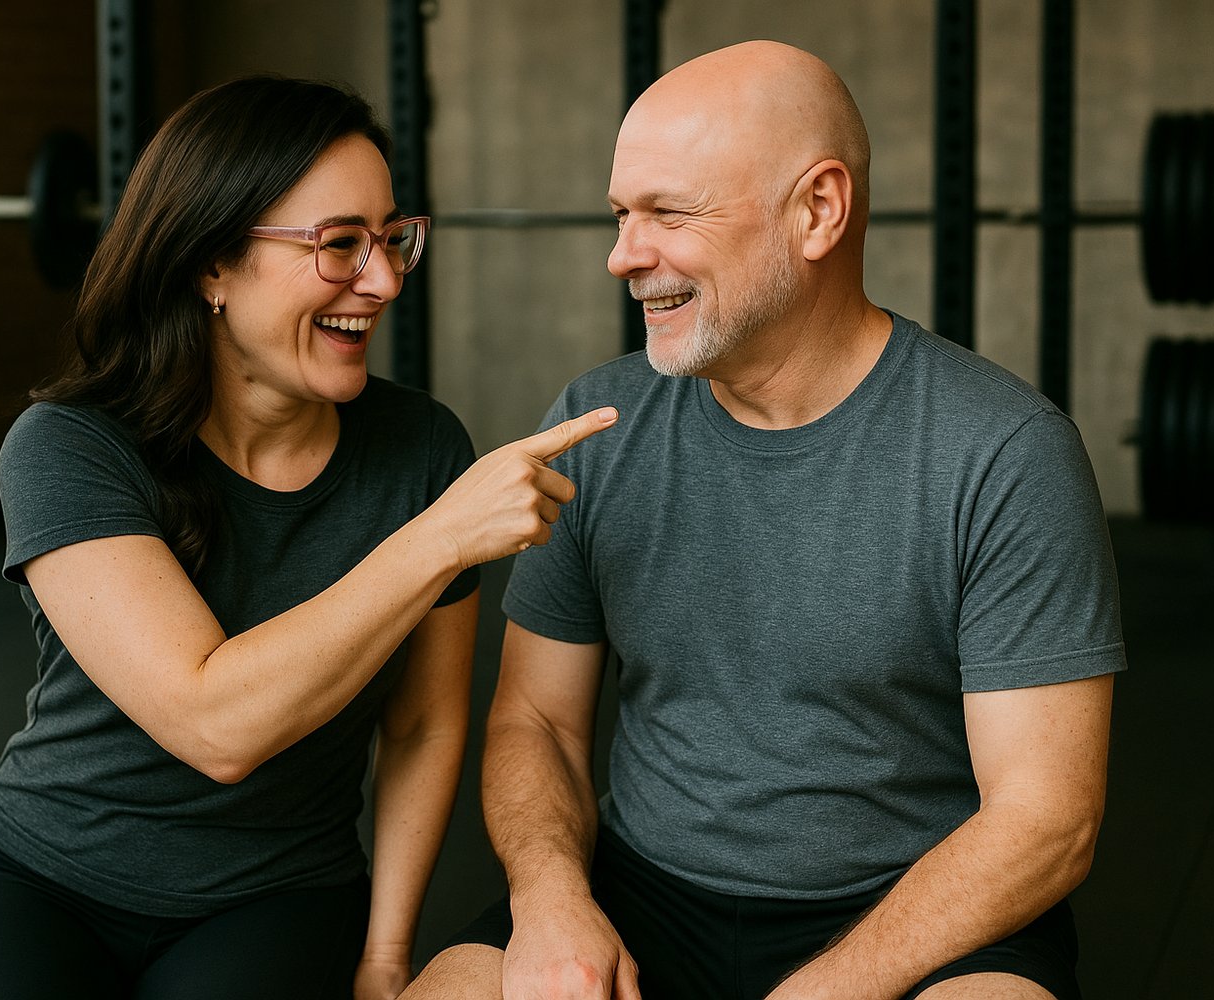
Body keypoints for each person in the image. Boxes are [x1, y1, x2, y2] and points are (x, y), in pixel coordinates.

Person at [402, 40, 1124, 1000]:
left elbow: (1046, 822)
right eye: (623, 214)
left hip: (913, 912)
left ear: (817, 211)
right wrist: (548, 898)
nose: (623, 255)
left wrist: (830, 987)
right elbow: (536, 719)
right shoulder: (597, 427)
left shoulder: (1004, 452)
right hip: (637, 894)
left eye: (668, 212)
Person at [0, 76, 615, 1000]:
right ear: (210, 264)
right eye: (340, 245)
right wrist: (438, 538)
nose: (385, 279)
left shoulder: (420, 449)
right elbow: (215, 725)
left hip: (277, 894)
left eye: (393, 238)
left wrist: (384, 954)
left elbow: (423, 724)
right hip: (41, 877)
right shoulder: (71, 446)